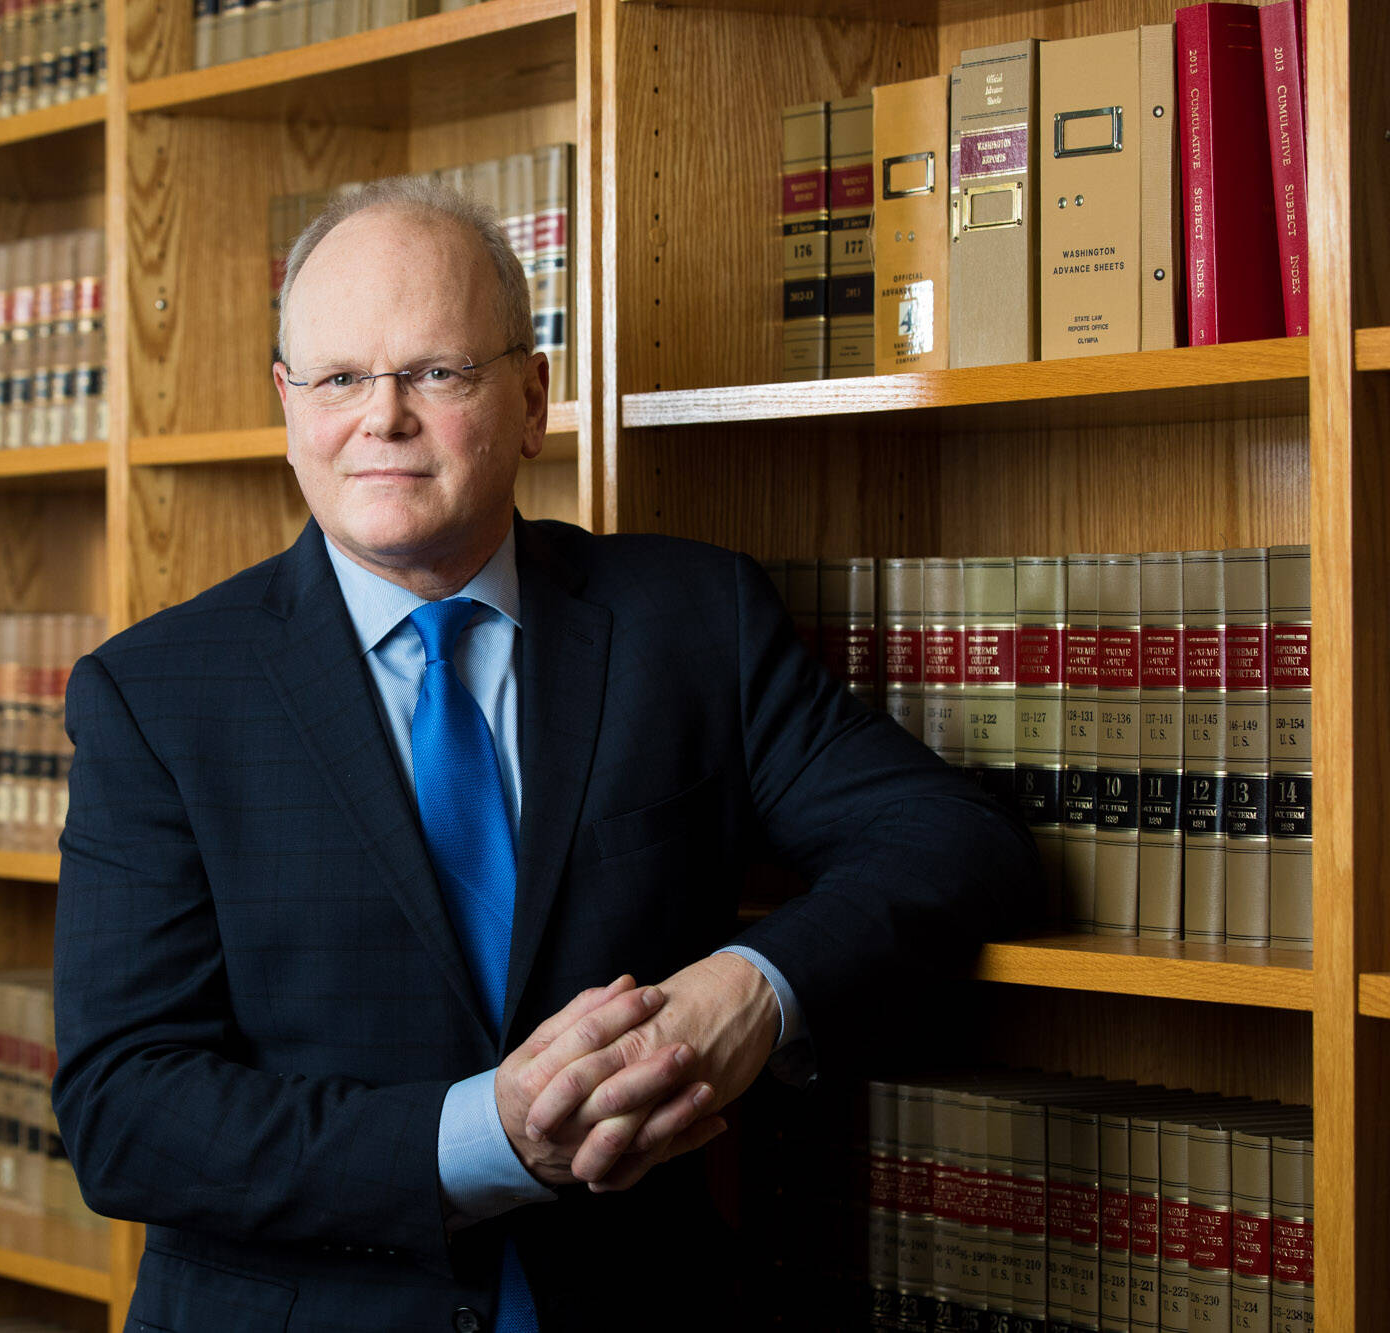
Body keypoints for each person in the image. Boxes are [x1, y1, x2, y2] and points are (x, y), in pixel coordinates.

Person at [52, 177, 1040, 1332]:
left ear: (530, 399)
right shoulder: (156, 694)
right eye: (338, 379)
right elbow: (124, 1114)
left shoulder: (689, 622)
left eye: (436, 372)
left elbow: (951, 839)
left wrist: (749, 989)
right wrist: (483, 1135)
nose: (382, 418)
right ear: (288, 407)